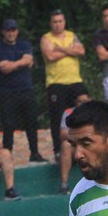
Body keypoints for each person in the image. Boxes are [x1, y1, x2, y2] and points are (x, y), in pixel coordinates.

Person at [0, 19, 44, 162]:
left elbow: (27, 61)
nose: (11, 33)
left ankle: (34, 153)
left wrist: (14, 64)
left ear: (17, 31)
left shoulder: (24, 44)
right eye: (8, 30)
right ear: (3, 32)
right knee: (8, 125)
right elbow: (5, 68)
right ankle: (7, 155)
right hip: (7, 92)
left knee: (31, 122)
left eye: (13, 30)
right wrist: (22, 63)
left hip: (26, 90)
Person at [41, 9, 86, 159]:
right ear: (50, 23)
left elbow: (81, 51)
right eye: (55, 22)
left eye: (60, 21)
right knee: (57, 117)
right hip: (56, 83)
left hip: (75, 80)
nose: (58, 24)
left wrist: (60, 49)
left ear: (64, 22)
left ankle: (85, 144)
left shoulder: (72, 36)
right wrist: (69, 51)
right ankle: (58, 151)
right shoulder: (46, 38)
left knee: (86, 110)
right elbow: (50, 55)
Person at [57, 86, 91, 194]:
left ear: (90, 100)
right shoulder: (68, 112)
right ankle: (64, 184)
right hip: (75, 145)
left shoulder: (95, 112)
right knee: (65, 145)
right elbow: (63, 134)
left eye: (84, 101)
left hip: (90, 144)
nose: (82, 104)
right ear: (75, 102)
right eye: (79, 101)